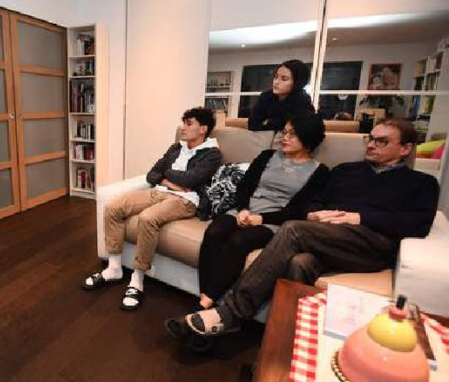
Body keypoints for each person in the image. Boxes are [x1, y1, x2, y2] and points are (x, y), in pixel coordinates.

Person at [165, 118, 439, 349]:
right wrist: (315, 213)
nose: (371, 145)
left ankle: (230, 313)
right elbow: (316, 201)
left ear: (405, 149)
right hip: (324, 236)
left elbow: (418, 223)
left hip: (369, 244)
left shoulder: (421, 183)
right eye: (371, 138)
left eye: (382, 141)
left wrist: (359, 217)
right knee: (298, 263)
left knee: (292, 229)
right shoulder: (346, 171)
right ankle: (285, 342)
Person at [82, 107, 222, 310]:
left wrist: (168, 176)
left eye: (188, 123)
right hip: (160, 191)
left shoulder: (212, 154)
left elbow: (192, 180)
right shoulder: (176, 148)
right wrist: (170, 180)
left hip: (186, 200)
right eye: (183, 122)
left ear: (203, 129)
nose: (182, 127)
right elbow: (152, 174)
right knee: (113, 207)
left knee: (147, 218)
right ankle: (114, 268)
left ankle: (137, 279)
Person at [196, 115, 329, 312]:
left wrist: (261, 219)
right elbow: (244, 186)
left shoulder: (319, 171)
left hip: (274, 222)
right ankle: (207, 297)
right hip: (245, 210)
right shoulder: (267, 156)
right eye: (285, 132)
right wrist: (242, 209)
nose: (285, 137)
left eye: (293, 134)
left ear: (308, 139)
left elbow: (299, 210)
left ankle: (204, 305)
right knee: (214, 232)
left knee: (238, 242)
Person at [248, 59, 315, 132]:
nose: (276, 82)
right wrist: (279, 123)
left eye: (284, 79)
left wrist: (268, 123)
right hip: (263, 141)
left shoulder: (303, 100)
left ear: (297, 82)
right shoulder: (266, 96)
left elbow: (296, 129)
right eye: (276, 77)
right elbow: (252, 125)